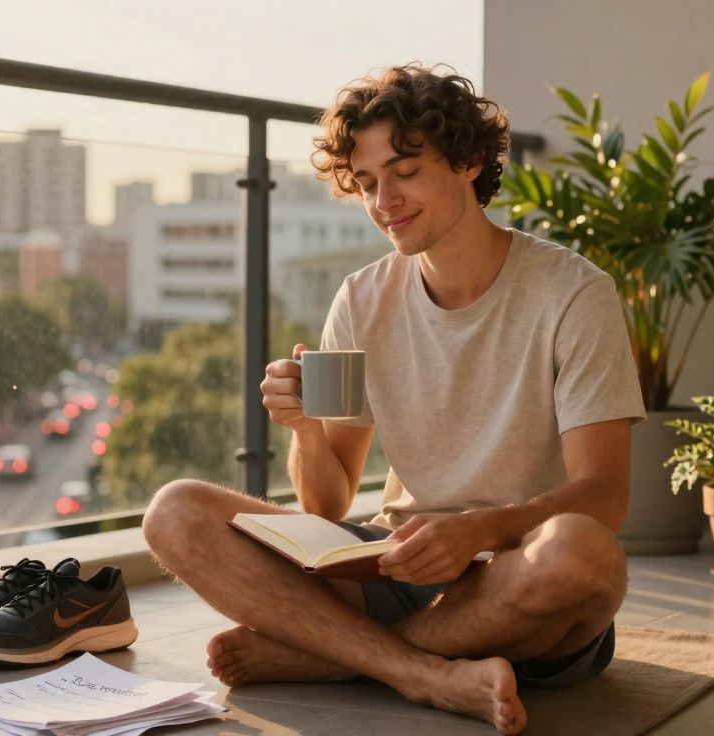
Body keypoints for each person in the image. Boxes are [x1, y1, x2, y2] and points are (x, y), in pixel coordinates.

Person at [142, 63, 646, 734]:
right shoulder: (361, 298)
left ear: (467, 162)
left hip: (516, 574)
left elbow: (604, 496)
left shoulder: (575, 295)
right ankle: (421, 672)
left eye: (404, 172)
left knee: (581, 552)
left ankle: (336, 659)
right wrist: (306, 429)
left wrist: (480, 529)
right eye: (368, 183)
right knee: (175, 511)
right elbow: (327, 505)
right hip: (394, 564)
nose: (385, 201)